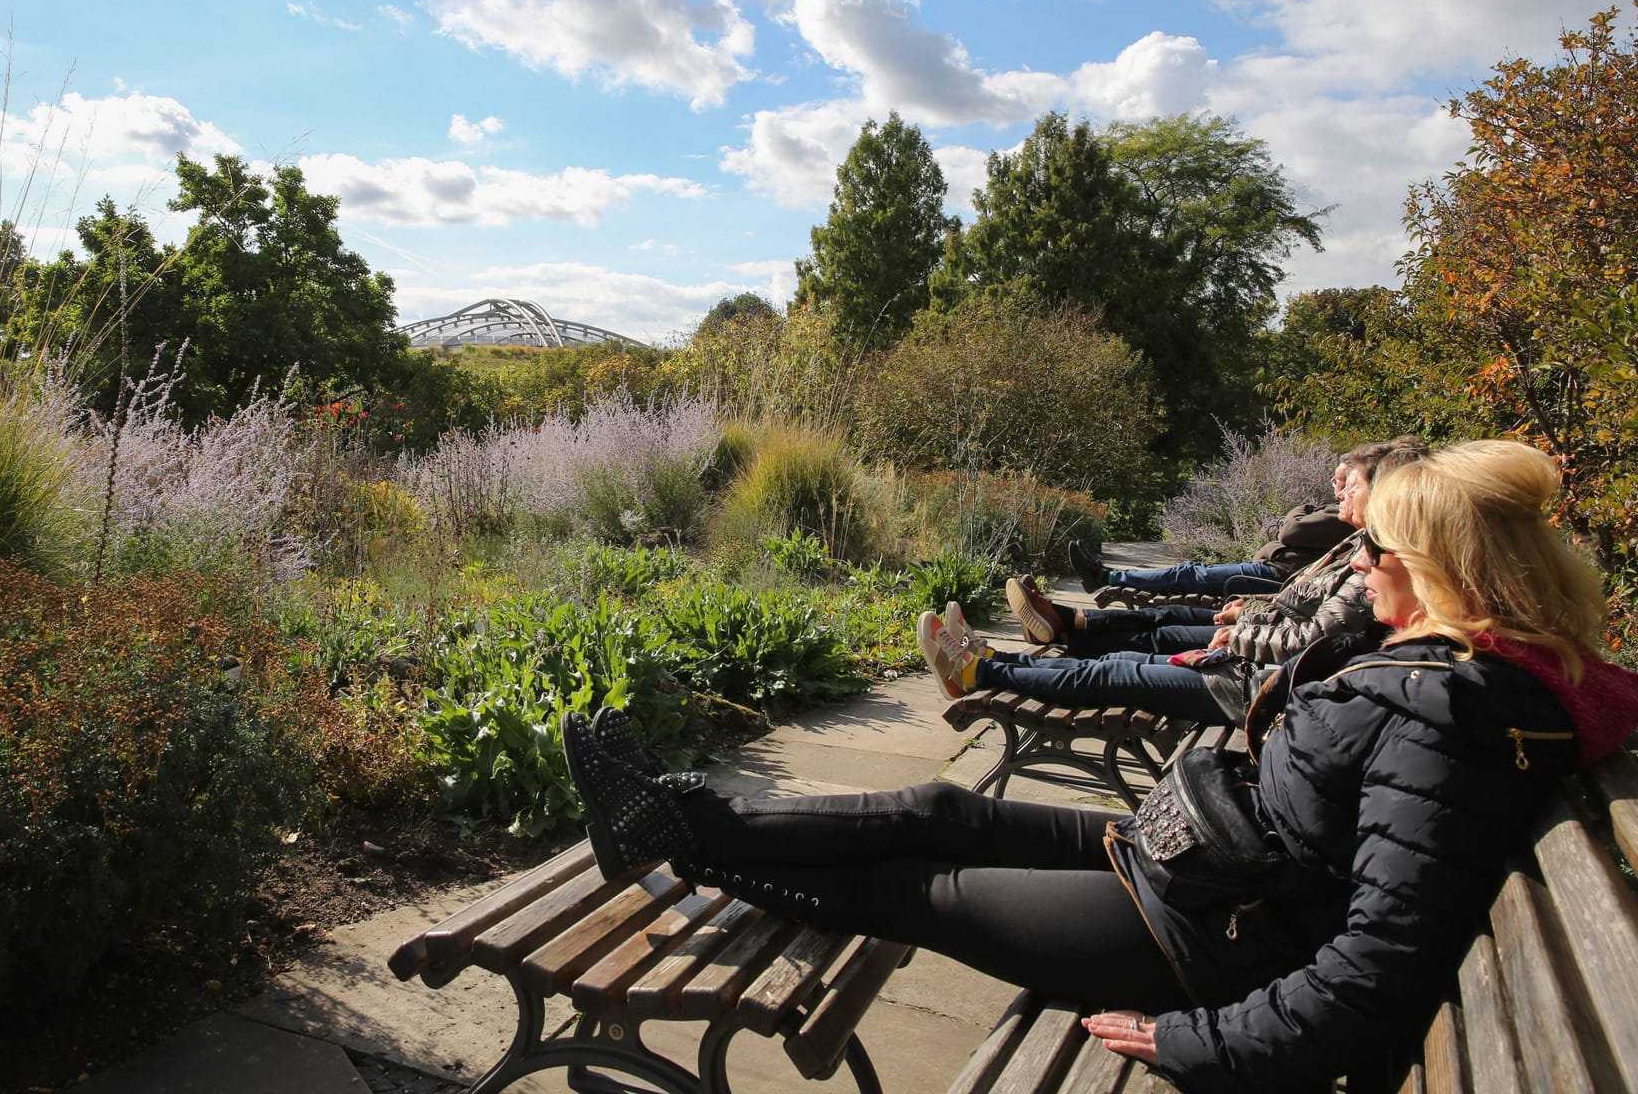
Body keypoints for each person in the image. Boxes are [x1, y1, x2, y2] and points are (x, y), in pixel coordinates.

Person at [562, 440, 1638, 1092]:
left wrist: (1201, 1041)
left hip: (1205, 940)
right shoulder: (1462, 671)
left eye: (1372, 555)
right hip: (1194, 857)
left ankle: (676, 839)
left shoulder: (1454, 712)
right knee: (944, 802)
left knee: (914, 890)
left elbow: (1382, 963)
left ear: (1441, 572)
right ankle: (681, 815)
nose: (1356, 569)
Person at [996, 438, 1423, 664]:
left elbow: (1293, 527)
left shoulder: (1372, 546)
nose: (1340, 489)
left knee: (1186, 582)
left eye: (1348, 483)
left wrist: (1244, 621)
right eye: (1338, 481)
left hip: (1266, 590)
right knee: (1173, 608)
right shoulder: (1359, 536)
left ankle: (1087, 601)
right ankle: (1067, 618)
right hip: (1267, 590)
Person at [1069, 462, 1353, 598]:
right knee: (1191, 571)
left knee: (1188, 574)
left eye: (1339, 479)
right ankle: (1108, 576)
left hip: (1275, 577)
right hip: (1272, 571)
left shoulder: (1341, 515)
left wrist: (1302, 508)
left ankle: (1106, 576)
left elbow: (1290, 531)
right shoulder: (1340, 510)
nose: (1332, 482)